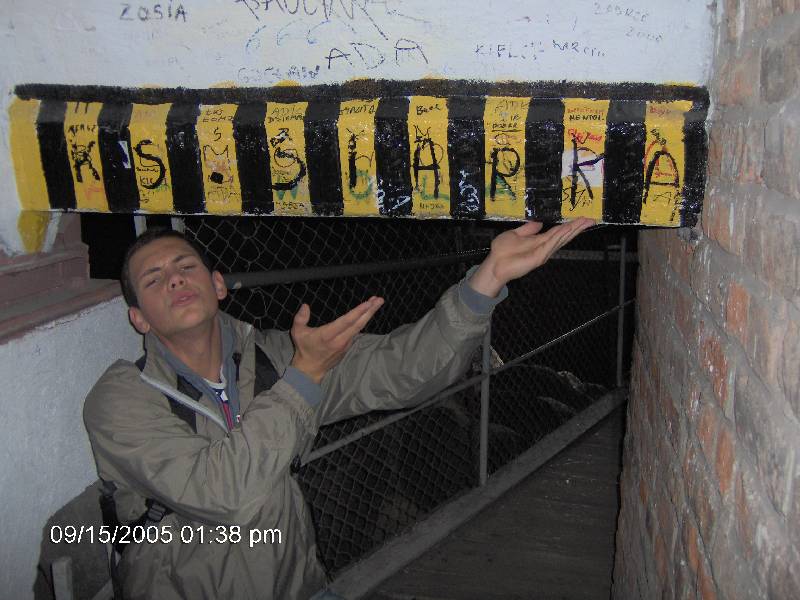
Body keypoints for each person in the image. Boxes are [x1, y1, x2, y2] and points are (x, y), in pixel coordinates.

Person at [83, 217, 594, 600]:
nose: (174, 280)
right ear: (138, 318)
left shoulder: (275, 357)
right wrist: (304, 378)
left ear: (218, 285)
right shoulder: (122, 398)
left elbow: (406, 369)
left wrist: (486, 281)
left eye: (185, 266)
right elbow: (223, 494)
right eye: (153, 280)